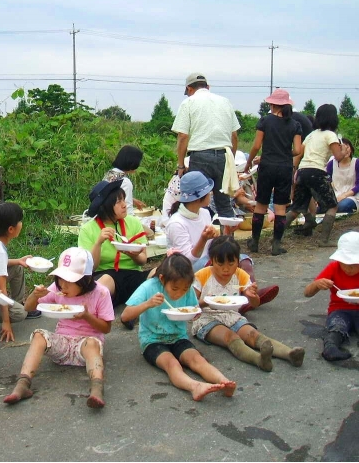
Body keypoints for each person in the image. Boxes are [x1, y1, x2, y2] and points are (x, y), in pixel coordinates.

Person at [3, 247, 114, 409]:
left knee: (92, 344)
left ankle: (97, 388)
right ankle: (23, 383)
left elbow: (106, 328)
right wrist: (35, 295)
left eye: (69, 280)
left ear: (86, 280)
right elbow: (28, 308)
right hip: (62, 343)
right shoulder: (57, 289)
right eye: (60, 278)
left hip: (86, 346)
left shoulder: (101, 293)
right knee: (39, 335)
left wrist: (87, 316)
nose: (63, 285)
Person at [120, 253, 237, 401]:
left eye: (184, 289)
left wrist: (195, 314)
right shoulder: (149, 287)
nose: (179, 294)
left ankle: (223, 381)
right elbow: (125, 316)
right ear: (162, 279)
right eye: (175, 289)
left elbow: (194, 309)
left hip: (178, 336)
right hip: (152, 340)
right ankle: (195, 387)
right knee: (172, 364)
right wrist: (147, 304)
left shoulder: (186, 288)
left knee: (197, 359)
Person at [165, 171, 279, 310]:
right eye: (208, 192)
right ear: (198, 197)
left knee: (242, 259)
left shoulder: (204, 213)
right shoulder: (177, 223)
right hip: (187, 269)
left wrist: (227, 233)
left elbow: (213, 246)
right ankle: (238, 300)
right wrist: (203, 238)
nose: (211, 194)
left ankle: (249, 293)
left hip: (207, 259)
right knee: (215, 263)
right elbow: (186, 260)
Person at [192, 236, 305, 371]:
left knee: (253, 334)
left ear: (237, 261)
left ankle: (289, 354)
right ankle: (259, 360)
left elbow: (255, 303)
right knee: (230, 337)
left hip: (232, 315)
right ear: (212, 260)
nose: (226, 269)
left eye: (231, 263)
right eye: (220, 264)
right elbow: (190, 306)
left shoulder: (240, 275)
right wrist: (205, 302)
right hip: (206, 319)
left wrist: (252, 295)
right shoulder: (202, 275)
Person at [77, 179, 151, 330]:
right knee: (105, 281)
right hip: (107, 276)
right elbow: (90, 268)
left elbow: (143, 261)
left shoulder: (133, 222)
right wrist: (98, 243)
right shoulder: (88, 229)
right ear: (105, 206)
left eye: (123, 199)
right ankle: (93, 313)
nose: (124, 204)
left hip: (132, 274)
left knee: (161, 272)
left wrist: (133, 254)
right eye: (118, 202)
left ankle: (132, 313)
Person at [172, 72, 240, 219]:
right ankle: (227, 241)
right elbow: (234, 135)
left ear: (189, 89)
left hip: (200, 156)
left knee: (194, 201)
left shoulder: (188, 103)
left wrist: (181, 165)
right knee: (224, 204)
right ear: (207, 87)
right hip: (224, 155)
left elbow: (183, 136)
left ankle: (193, 238)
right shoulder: (225, 101)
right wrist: (231, 161)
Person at [244, 89, 304, 256]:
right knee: (280, 207)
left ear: (272, 104)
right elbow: (298, 150)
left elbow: (256, 145)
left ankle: (254, 242)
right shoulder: (295, 125)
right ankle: (276, 245)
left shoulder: (265, 121)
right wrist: (285, 152)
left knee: (261, 204)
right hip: (285, 168)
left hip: (267, 166)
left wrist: (249, 162)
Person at [286, 104, 344, 246]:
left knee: (296, 208)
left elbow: (299, 153)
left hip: (303, 171)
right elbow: (338, 157)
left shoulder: (312, 135)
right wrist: (343, 151)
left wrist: (294, 171)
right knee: (332, 206)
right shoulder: (331, 135)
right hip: (317, 172)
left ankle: (277, 236)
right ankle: (323, 240)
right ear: (334, 118)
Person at [0, 202, 39, 343]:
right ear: (11, 229)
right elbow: (1, 291)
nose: (21, 223)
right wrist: (6, 322)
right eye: (20, 221)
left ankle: (18, 303)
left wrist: (18, 260)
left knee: (18, 267)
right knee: (21, 314)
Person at [304, 231, 359, 361]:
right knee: (337, 326)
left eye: (353, 265)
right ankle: (330, 348)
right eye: (344, 263)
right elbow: (307, 293)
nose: (347, 268)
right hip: (339, 309)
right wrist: (317, 284)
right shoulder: (334, 267)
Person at [104, 145, 146, 216]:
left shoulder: (111, 173)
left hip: (106, 215)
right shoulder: (125, 182)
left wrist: (132, 200)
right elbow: (128, 211)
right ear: (132, 163)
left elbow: (111, 196)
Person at [325, 138, 359, 214]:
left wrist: (344, 196)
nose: (346, 150)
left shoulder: (356, 163)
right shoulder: (331, 164)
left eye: (347, 147)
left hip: (352, 196)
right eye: (341, 148)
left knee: (342, 206)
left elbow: (358, 185)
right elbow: (327, 182)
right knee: (319, 207)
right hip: (335, 195)